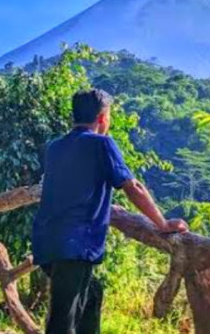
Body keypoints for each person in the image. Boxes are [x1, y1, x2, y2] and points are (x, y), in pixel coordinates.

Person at [32, 88, 188, 334]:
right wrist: (163, 224)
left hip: (46, 242)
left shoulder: (54, 147)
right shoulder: (101, 143)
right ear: (103, 117)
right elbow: (132, 187)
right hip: (75, 245)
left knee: (92, 295)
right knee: (63, 323)